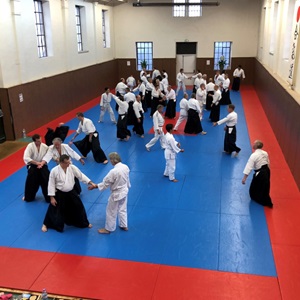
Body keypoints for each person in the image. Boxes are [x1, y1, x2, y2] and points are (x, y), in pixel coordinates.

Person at [41, 155, 96, 232]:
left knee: (78, 207)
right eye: (67, 162)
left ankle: (83, 223)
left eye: (69, 161)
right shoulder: (54, 171)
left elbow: (80, 175)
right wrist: (52, 197)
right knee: (54, 209)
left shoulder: (72, 167)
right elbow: (51, 184)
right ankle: (46, 224)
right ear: (61, 163)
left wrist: (90, 182)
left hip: (71, 192)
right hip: (59, 193)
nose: (69, 163)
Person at [88, 152, 131, 234]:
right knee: (123, 209)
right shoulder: (125, 167)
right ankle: (124, 225)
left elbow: (105, 183)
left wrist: (95, 186)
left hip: (116, 194)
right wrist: (128, 186)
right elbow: (127, 179)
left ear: (113, 160)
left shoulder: (113, 171)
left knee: (111, 211)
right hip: (125, 191)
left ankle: (109, 229)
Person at [242, 140, 273, 208]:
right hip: (266, 171)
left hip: (260, 173)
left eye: (254, 143)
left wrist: (244, 178)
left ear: (256, 146)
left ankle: (259, 198)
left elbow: (249, 166)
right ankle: (265, 199)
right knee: (265, 186)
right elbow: (268, 162)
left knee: (254, 187)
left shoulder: (254, 155)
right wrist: (268, 172)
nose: (253, 144)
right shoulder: (265, 153)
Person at [23, 134, 50, 202]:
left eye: (40, 140)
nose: (40, 142)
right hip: (33, 165)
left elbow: (49, 154)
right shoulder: (30, 146)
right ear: (34, 141)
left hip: (42, 164)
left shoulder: (44, 146)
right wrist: (36, 163)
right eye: (38, 141)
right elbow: (26, 157)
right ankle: (28, 197)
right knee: (31, 181)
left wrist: (42, 163)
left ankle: (49, 197)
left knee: (46, 179)